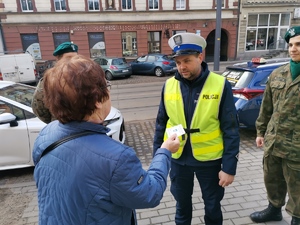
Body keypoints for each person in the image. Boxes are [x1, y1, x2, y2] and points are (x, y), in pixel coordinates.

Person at [32, 54, 180, 225]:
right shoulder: (117, 158)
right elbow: (150, 194)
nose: (109, 91)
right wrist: (165, 151)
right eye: (107, 86)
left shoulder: (46, 134)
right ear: (97, 101)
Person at [153, 33, 240, 225]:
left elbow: (231, 128)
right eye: (178, 62)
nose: (182, 67)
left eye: (187, 61)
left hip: (210, 160)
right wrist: (157, 157)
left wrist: (229, 167)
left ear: (200, 57)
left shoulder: (220, 84)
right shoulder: (168, 86)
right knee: (181, 206)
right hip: (178, 158)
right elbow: (161, 123)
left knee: (212, 205)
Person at [250, 26, 300, 225]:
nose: (293, 49)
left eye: (298, 44)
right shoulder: (278, 74)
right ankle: (274, 209)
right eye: (290, 45)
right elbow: (267, 107)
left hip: (297, 146)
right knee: (272, 178)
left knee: (297, 185)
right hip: (274, 142)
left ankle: (297, 217)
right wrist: (261, 131)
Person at [31, 41, 78, 124]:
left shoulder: (84, 78)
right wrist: (55, 121)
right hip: (61, 127)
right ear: (58, 59)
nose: (73, 61)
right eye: (68, 57)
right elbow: (39, 108)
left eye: (75, 58)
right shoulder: (49, 80)